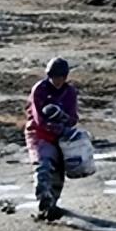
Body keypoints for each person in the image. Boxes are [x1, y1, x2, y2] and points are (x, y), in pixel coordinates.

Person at [25, 57, 79, 221]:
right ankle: (44, 204)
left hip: (60, 136)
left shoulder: (69, 92)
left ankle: (52, 205)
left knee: (58, 172)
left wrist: (64, 120)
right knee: (43, 167)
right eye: (54, 77)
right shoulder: (40, 89)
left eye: (60, 77)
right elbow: (39, 118)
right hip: (39, 133)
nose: (57, 81)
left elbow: (73, 118)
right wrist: (56, 124)